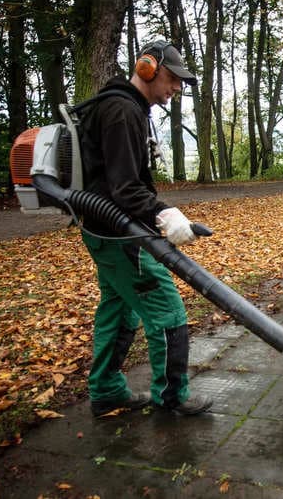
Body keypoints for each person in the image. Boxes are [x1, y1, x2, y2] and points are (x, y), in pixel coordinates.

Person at [79, 39, 213, 417]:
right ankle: (172, 398)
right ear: (147, 69)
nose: (175, 89)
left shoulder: (125, 107)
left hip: (104, 231)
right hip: (121, 235)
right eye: (172, 79)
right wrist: (164, 213)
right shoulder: (122, 111)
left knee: (118, 311)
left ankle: (105, 390)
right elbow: (124, 187)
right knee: (166, 311)